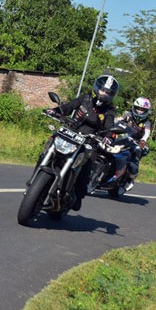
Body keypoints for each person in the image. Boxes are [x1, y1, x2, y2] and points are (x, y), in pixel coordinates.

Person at [46, 74, 119, 211]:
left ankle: (78, 195)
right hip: (70, 132)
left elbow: (110, 126)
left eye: (108, 92)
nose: (104, 93)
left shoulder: (109, 110)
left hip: (89, 141)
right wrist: (55, 111)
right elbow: (68, 107)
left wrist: (109, 137)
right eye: (103, 89)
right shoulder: (85, 98)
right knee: (51, 144)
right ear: (97, 88)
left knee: (87, 165)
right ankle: (39, 174)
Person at [113, 97, 153, 192]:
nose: (139, 111)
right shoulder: (127, 115)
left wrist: (143, 140)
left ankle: (130, 178)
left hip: (136, 142)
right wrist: (111, 122)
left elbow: (147, 133)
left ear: (147, 111)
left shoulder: (146, 122)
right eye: (138, 108)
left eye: (142, 109)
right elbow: (117, 120)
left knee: (135, 157)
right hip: (123, 138)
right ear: (134, 107)